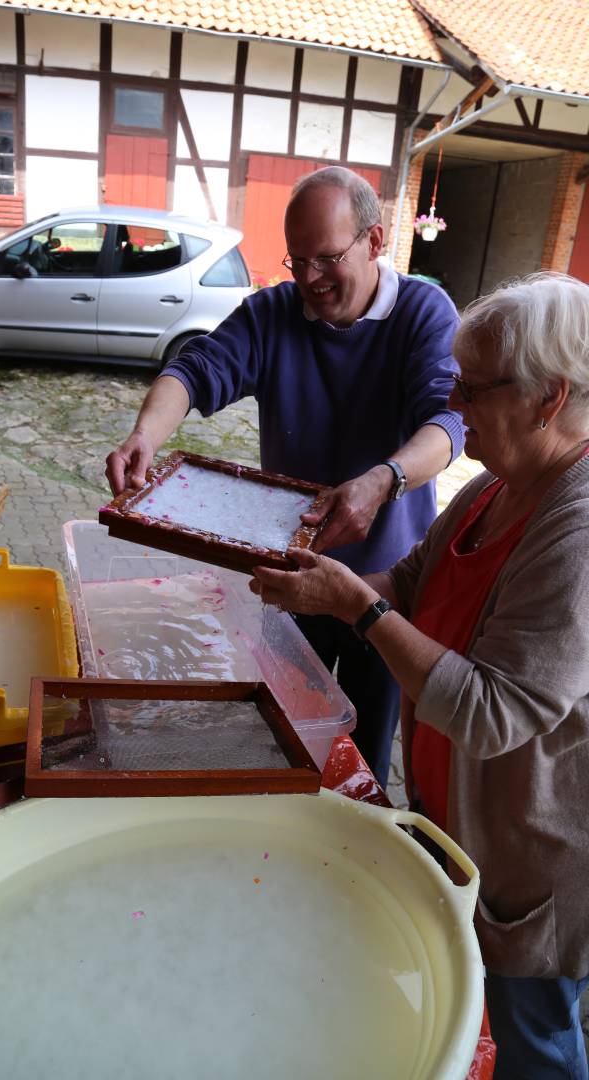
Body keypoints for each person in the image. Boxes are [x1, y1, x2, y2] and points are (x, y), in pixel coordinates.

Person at [249, 272, 589, 1078]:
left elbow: (494, 711)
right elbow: (411, 579)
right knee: (473, 1013)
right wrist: (326, 587)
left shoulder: (576, 528)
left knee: (534, 1036)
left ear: (549, 398)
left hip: (533, 859)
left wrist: (357, 611)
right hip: (468, 831)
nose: (455, 406)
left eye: (472, 389)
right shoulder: (495, 487)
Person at [106, 166, 464, 789]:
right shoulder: (273, 311)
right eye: (297, 261)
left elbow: (450, 424)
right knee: (277, 734)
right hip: (287, 576)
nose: (310, 280)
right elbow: (193, 371)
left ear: (375, 242)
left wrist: (386, 477)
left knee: (363, 760)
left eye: (326, 258)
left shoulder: (424, 313)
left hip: (382, 583)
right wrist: (145, 435)